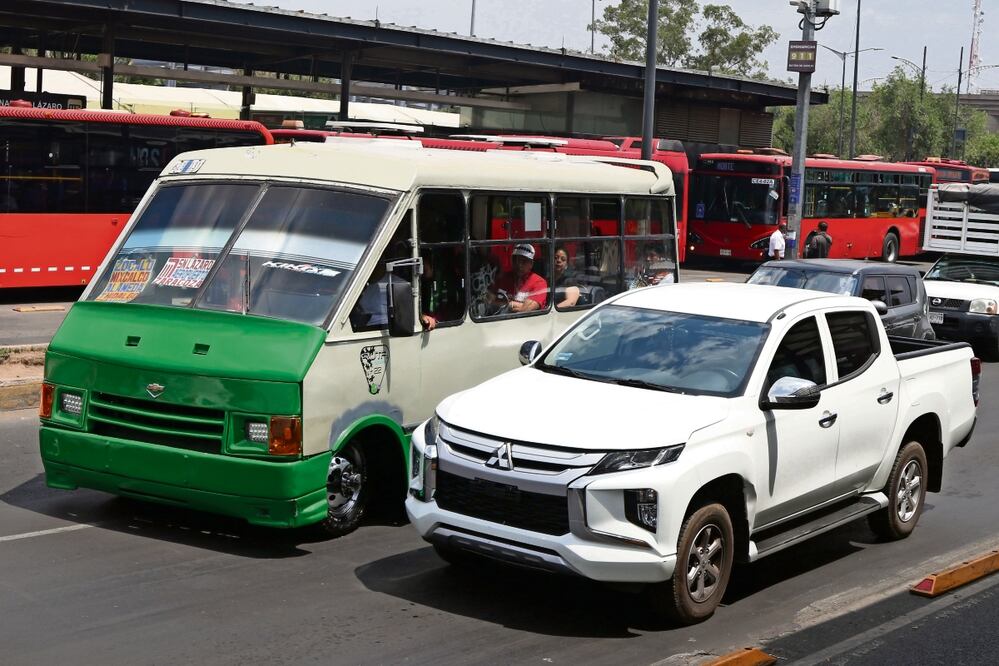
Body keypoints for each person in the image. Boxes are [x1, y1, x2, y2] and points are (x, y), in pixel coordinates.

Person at [488, 243, 548, 314]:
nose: (519, 265)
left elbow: (526, 309)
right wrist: (514, 305)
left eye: (524, 261)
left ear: (531, 264)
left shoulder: (539, 282)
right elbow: (489, 302)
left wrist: (507, 304)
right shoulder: (503, 278)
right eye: (515, 260)